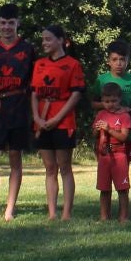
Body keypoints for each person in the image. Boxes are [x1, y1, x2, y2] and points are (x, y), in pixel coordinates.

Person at [0, 4, 36, 221]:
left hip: (18, 107)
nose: (6, 27)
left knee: (15, 158)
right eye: (3, 23)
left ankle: (9, 210)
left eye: (11, 23)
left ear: (17, 23)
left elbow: (33, 81)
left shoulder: (27, 49)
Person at [31, 26, 84, 221]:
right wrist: (37, 118)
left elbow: (76, 94)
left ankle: (66, 213)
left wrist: (57, 118)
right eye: (43, 39)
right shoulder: (39, 64)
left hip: (63, 122)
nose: (44, 43)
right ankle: (52, 213)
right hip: (42, 121)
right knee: (49, 167)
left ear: (61, 40)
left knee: (64, 166)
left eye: (48, 39)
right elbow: (34, 93)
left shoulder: (73, 64)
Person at [92, 80, 131, 223]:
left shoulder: (124, 116)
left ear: (120, 99)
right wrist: (97, 130)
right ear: (102, 101)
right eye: (106, 101)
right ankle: (104, 216)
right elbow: (94, 134)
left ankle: (124, 217)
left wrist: (109, 129)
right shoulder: (101, 114)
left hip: (119, 154)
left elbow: (124, 137)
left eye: (114, 101)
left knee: (122, 188)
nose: (110, 104)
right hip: (104, 155)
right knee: (104, 188)